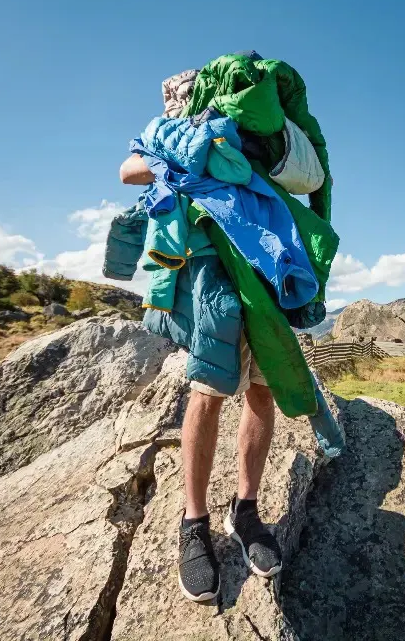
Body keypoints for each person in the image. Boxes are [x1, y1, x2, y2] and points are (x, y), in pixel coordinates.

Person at [120, 154, 282, 603]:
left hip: (264, 268)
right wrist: (196, 154)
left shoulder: (258, 118)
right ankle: (194, 523)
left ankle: (244, 511)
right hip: (212, 277)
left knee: (263, 393)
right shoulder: (174, 128)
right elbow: (128, 172)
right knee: (207, 394)